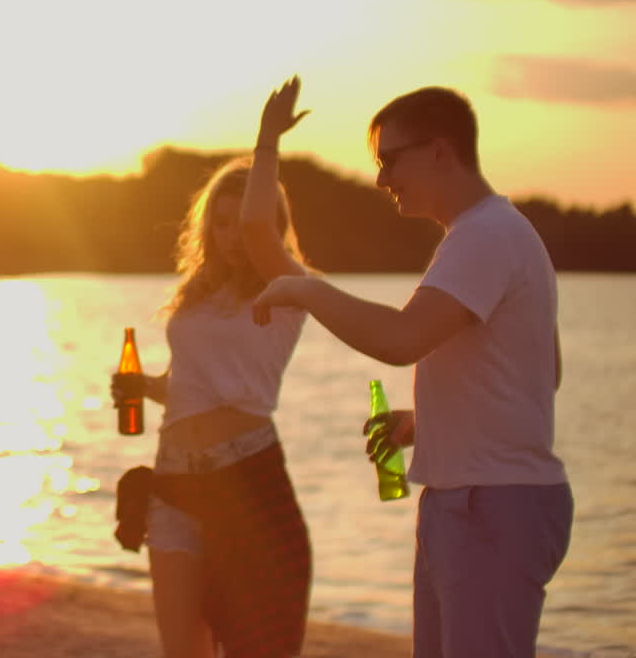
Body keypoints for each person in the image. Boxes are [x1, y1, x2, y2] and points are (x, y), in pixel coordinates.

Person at [253, 86, 572, 657]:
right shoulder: (489, 234)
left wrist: (306, 291)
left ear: (439, 151)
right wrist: (427, 421)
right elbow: (542, 373)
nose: (381, 180)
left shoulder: (485, 235)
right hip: (475, 501)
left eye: (388, 160)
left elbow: (402, 341)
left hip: (491, 506)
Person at [112, 77, 313, 658]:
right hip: (173, 481)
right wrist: (144, 386)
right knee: (182, 649)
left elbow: (258, 231)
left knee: (252, 647)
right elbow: (191, 386)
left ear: (271, 226)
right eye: (219, 223)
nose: (231, 236)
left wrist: (267, 142)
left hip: (245, 481)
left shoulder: (288, 292)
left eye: (244, 222)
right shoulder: (197, 297)